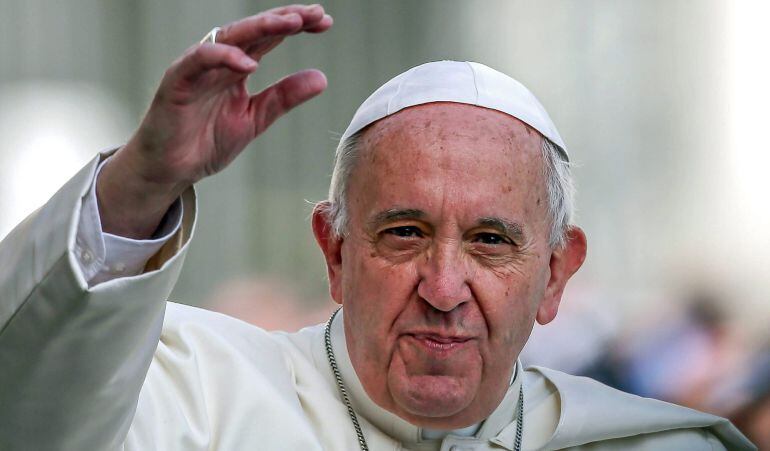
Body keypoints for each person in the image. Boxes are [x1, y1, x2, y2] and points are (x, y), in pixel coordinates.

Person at [0, 5, 755, 451]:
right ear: (333, 251)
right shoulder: (185, 395)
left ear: (556, 272)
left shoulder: (653, 447)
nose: (444, 286)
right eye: (404, 232)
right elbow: (31, 414)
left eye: (491, 241)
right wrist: (144, 180)